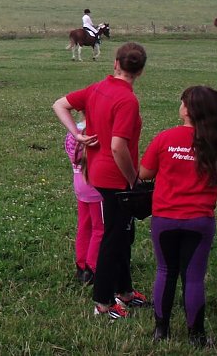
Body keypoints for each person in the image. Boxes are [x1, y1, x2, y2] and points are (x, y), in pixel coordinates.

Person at [53, 42, 149, 319]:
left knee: (123, 234)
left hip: (97, 172)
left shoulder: (97, 88)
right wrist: (133, 180)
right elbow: (119, 146)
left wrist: (77, 133)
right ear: (140, 71)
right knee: (114, 237)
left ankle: (125, 291)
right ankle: (104, 303)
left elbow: (59, 105)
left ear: (116, 63)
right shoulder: (127, 100)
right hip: (115, 178)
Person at [139, 86, 217, 346]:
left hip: (165, 218)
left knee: (164, 271)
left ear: (186, 109)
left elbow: (145, 173)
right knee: (193, 277)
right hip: (200, 220)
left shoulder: (164, 138)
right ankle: (196, 336)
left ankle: (161, 331)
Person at [64, 114, 103, 286]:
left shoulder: (74, 131)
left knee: (84, 225)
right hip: (95, 186)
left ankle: (81, 265)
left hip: (79, 182)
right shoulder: (97, 133)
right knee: (99, 228)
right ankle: (92, 267)